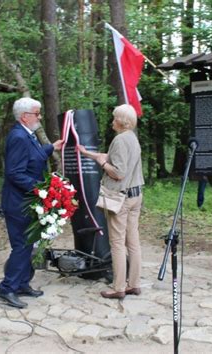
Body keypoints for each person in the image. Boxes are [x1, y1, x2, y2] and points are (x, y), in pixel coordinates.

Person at [0, 97, 63, 308]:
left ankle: (22, 283)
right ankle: (7, 288)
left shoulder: (28, 135)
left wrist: (50, 147)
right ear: (25, 117)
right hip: (18, 203)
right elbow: (14, 173)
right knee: (22, 247)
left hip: (28, 201)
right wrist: (42, 189)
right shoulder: (18, 137)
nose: (40, 117)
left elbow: (32, 157)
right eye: (37, 113)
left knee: (29, 246)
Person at [78, 104, 144, 299]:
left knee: (116, 243)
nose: (112, 121)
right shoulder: (132, 138)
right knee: (133, 241)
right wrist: (89, 154)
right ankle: (134, 284)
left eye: (114, 118)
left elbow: (118, 172)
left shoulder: (119, 140)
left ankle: (118, 288)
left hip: (120, 198)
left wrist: (103, 164)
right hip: (136, 196)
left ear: (121, 121)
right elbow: (112, 158)